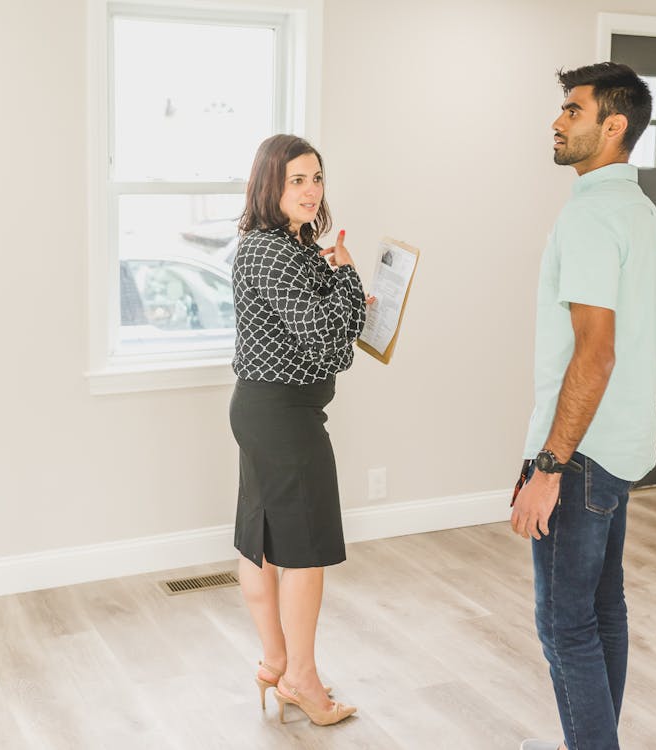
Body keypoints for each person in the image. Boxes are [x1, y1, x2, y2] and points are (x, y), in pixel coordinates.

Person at [511, 63, 656, 750]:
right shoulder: (638, 209)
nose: (556, 121)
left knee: (563, 624)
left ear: (613, 125)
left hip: (578, 455)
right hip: (621, 444)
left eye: (571, 111)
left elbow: (593, 353)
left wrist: (547, 464)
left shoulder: (590, 215)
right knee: (603, 610)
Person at [229, 134, 368, 727]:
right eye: (297, 181)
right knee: (303, 552)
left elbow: (331, 339)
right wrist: (350, 283)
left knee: (260, 539)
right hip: (283, 417)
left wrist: (339, 293)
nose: (311, 191)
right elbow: (330, 339)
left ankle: (277, 662)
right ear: (270, 186)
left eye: (317, 178)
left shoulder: (291, 246)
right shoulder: (270, 251)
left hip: (271, 412)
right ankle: (303, 681)